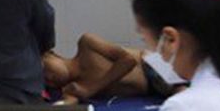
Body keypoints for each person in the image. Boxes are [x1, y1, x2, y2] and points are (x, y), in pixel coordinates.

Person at [41, 33, 184, 101]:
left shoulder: (87, 45)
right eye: (45, 81)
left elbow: (127, 61)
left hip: (150, 66)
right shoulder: (74, 88)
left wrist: (90, 89)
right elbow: (67, 104)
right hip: (151, 91)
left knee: (181, 92)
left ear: (52, 54)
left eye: (44, 69)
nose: (48, 77)